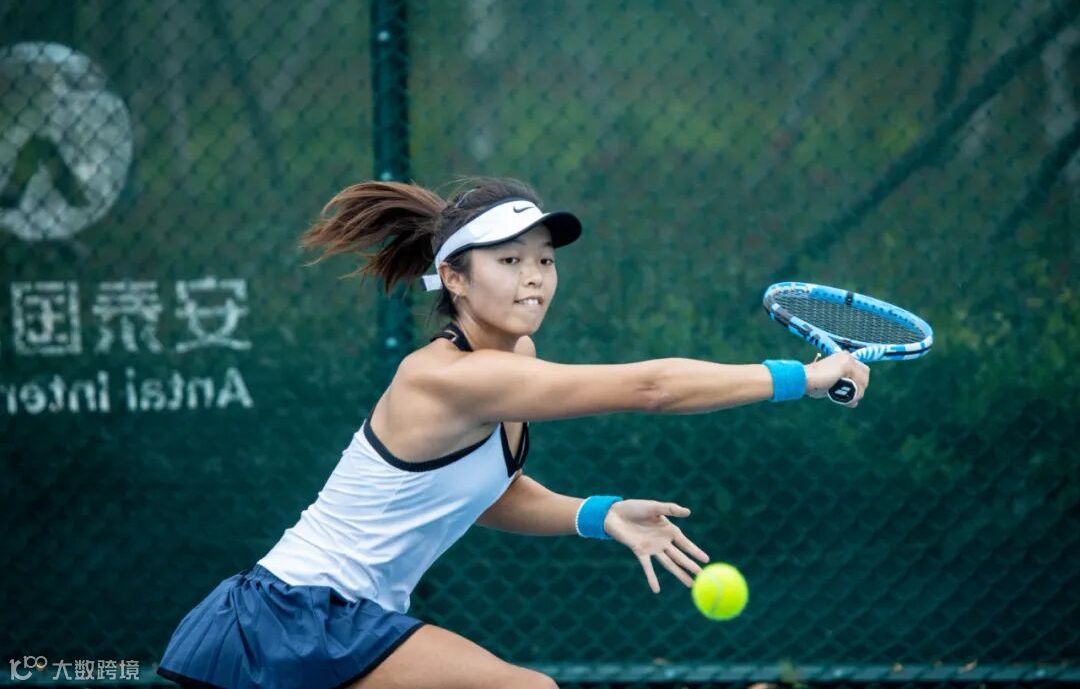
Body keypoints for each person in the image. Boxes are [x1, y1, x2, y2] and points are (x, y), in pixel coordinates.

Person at [156, 177, 869, 689]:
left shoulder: (513, 359)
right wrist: (804, 377)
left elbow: (482, 490)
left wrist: (598, 515)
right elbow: (649, 388)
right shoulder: (446, 378)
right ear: (454, 279)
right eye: (509, 260)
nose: (535, 278)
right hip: (292, 618)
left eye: (545, 260)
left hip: (331, 624)